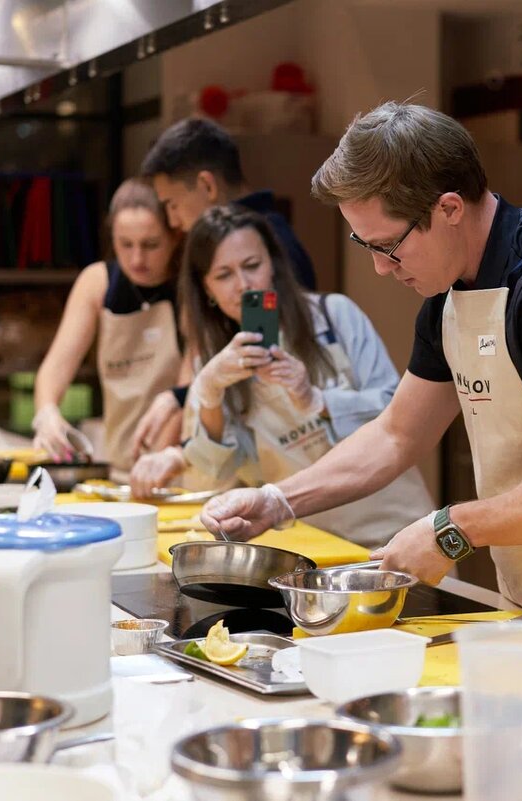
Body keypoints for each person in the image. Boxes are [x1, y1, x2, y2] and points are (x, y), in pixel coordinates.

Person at [200, 102, 522, 659]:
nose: (381, 267)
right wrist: (277, 501)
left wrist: (450, 529)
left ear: (449, 207)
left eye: (387, 246)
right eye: (365, 245)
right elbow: (397, 434)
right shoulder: (448, 299)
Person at [149, 205, 432, 547]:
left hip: (398, 530)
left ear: (273, 265)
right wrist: (209, 393)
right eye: (223, 275)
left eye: (252, 266)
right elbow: (212, 479)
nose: (244, 285)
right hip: (313, 545)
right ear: (205, 288)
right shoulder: (212, 366)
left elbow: (398, 416)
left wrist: (317, 400)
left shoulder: (334, 315)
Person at [129, 118, 319, 453]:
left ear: (207, 186)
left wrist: (181, 399)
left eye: (172, 204)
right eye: (223, 275)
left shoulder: (277, 248)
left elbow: (263, 364)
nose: (173, 221)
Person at [33, 178, 185, 478]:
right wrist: (46, 412)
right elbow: (56, 366)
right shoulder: (97, 282)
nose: (136, 258)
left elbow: (186, 391)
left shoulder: (188, 287)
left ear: (175, 236)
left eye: (150, 245)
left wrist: (157, 463)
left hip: (179, 468)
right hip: (121, 467)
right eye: (125, 244)